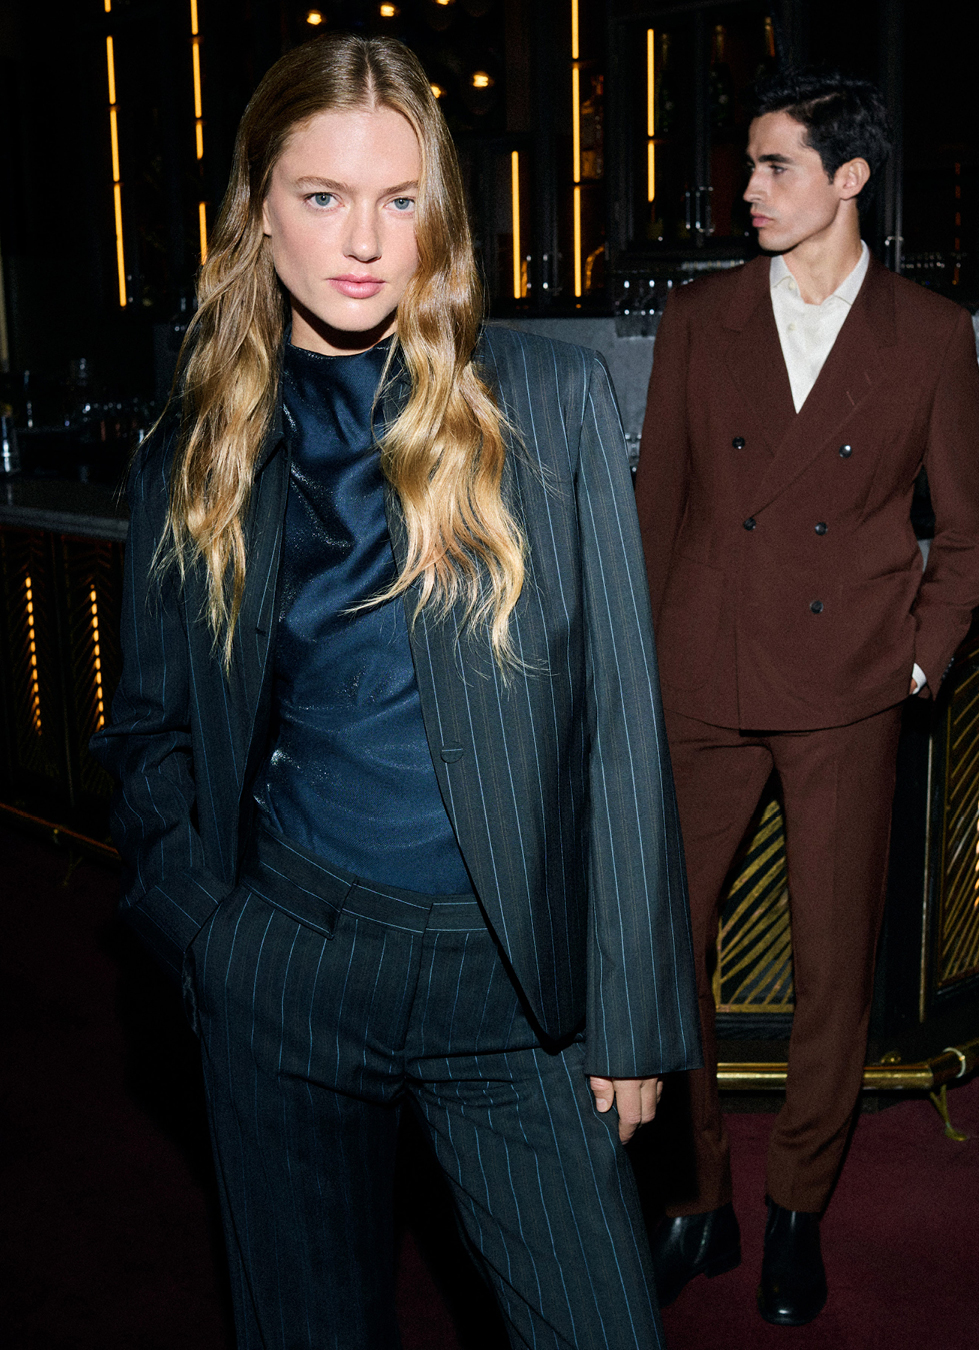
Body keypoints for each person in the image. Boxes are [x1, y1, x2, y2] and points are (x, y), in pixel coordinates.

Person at [93, 34, 700, 1350]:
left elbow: (619, 724)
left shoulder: (549, 402)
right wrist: (210, 939)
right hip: (288, 957)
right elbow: (146, 731)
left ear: (441, 213)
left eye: (400, 198)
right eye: (323, 196)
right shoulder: (192, 446)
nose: (365, 241)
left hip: (510, 980)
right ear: (260, 209)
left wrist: (636, 1011)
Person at [635, 69, 979, 1326]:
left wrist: (916, 663)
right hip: (699, 676)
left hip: (846, 685)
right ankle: (697, 1200)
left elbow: (967, 534)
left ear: (849, 178)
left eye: (774, 165)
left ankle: (797, 1206)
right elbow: (657, 513)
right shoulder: (699, 318)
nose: (746, 188)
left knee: (833, 968)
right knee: (660, 950)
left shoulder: (930, 334)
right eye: (747, 163)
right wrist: (637, 671)